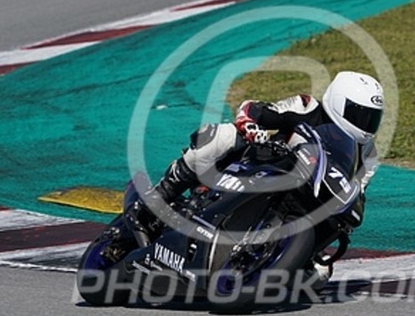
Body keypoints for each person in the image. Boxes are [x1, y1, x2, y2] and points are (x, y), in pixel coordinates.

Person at [144, 70, 384, 286]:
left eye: (372, 118)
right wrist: (250, 126)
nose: (365, 125)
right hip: (261, 166)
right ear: (338, 102)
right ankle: (160, 195)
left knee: (318, 276)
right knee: (224, 135)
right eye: (359, 114)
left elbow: (356, 193)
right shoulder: (306, 107)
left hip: (305, 202)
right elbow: (254, 109)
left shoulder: (368, 154)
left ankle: (264, 264)